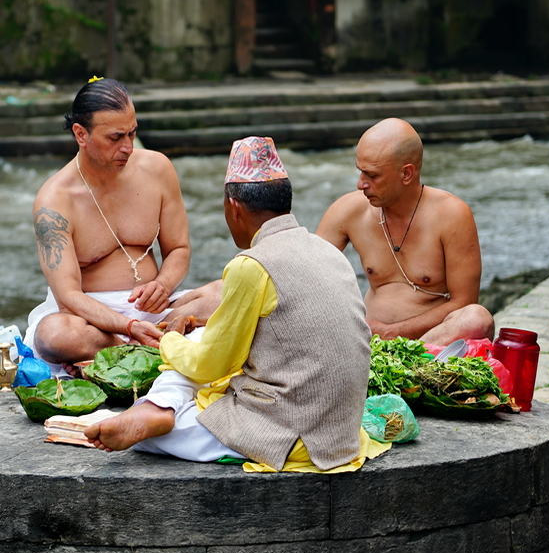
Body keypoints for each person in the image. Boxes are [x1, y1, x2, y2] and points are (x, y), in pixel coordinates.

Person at [85, 136, 383, 473]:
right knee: (199, 338)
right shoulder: (327, 250)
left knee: (155, 433)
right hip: (341, 431)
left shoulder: (252, 264)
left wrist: (169, 341)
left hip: (292, 434)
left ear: (234, 207)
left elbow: (211, 366)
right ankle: (158, 407)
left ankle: (159, 411)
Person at [26, 77, 219, 371]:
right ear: (81, 134)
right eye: (115, 138)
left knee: (228, 293)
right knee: (56, 335)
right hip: (91, 321)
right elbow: (68, 297)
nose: (127, 147)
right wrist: (128, 327)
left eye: (132, 133)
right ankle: (146, 347)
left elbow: (178, 249)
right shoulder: (54, 201)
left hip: (157, 312)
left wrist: (163, 285)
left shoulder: (158, 168)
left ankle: (143, 347)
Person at [315, 118, 494, 345]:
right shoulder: (347, 210)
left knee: (477, 318)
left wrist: (392, 332)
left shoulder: (452, 214)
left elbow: (464, 302)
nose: (361, 184)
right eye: (360, 172)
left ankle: (416, 361)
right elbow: (307, 278)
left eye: (372, 175)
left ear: (406, 174)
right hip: (367, 341)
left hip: (429, 345)